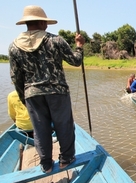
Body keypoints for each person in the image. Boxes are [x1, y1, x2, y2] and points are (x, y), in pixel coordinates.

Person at [9, 5, 85, 173]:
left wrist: (25, 97)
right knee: (64, 125)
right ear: (42, 23)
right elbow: (75, 61)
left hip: (32, 94)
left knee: (40, 129)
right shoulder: (55, 41)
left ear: (27, 23)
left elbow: (16, 78)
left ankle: (46, 164)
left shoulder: (14, 47)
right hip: (57, 92)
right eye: (45, 23)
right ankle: (66, 159)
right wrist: (79, 46)